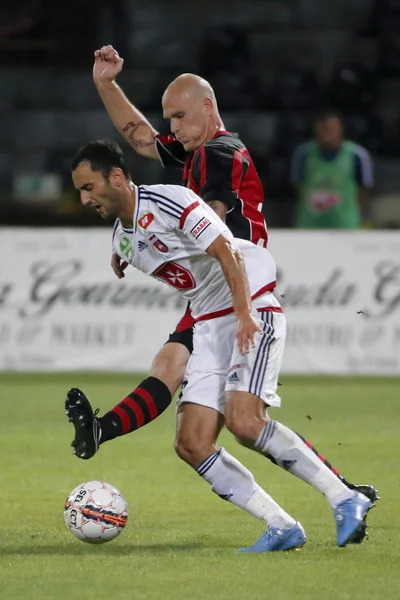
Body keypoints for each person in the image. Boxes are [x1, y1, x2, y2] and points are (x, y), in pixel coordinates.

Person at [69, 46, 378, 540]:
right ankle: (281, 526)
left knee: (239, 418)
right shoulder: (193, 151)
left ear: (208, 108)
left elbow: (210, 221)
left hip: (243, 292)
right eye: (169, 115)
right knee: (192, 440)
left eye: (180, 115)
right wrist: (107, 86)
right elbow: (144, 141)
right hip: (209, 303)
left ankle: (345, 495)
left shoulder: (219, 152)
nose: (171, 125)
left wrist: (148, 236)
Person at [290, 109, 374, 229]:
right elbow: (298, 185)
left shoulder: (357, 155)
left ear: (340, 129)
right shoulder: (304, 154)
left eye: (331, 130)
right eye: (323, 130)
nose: (327, 134)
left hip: (345, 224)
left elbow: (364, 189)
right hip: (310, 224)